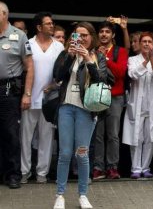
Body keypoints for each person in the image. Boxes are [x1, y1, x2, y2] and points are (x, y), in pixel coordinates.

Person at [53, 22, 109, 209]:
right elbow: (58, 76)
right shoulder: (66, 53)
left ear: (91, 37)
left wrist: (89, 61)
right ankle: (60, 195)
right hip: (66, 107)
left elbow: (102, 79)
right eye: (77, 35)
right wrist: (70, 56)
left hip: (86, 109)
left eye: (85, 35)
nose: (81, 39)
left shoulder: (98, 56)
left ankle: (83, 195)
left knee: (82, 154)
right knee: (65, 153)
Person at [20, 12, 64, 184]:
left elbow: (62, 73)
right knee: (25, 137)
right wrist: (25, 94)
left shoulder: (59, 47)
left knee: (46, 138)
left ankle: (42, 173)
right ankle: (24, 172)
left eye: (52, 23)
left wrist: (54, 86)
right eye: (48, 23)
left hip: (50, 100)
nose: (52, 26)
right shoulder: (28, 44)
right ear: (39, 27)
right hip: (29, 98)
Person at [122, 32, 153, 179]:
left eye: (149, 41)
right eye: (144, 41)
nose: (147, 44)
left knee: (150, 138)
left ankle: (146, 167)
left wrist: (151, 58)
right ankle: (135, 168)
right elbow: (133, 74)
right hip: (137, 106)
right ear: (140, 44)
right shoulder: (133, 59)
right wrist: (145, 61)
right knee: (136, 138)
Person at [0, 1, 34, 189]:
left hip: (8, 90)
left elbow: (30, 67)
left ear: (4, 14)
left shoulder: (19, 36)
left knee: (10, 133)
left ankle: (13, 174)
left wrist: (26, 94)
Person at [93, 21, 128, 180]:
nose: (104, 34)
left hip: (115, 96)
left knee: (113, 134)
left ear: (113, 35)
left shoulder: (120, 51)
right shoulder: (92, 51)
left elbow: (120, 72)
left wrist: (105, 58)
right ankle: (98, 167)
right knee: (98, 134)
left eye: (107, 32)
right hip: (97, 95)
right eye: (101, 31)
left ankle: (112, 167)